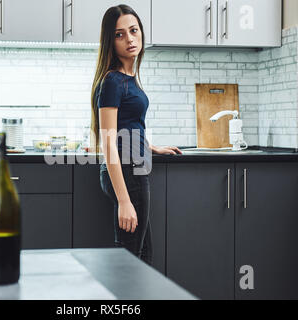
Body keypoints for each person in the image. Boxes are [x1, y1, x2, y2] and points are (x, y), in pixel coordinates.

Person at [90, 4, 182, 265]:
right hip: (127, 172)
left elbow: (128, 125)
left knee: (142, 255)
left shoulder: (127, 78)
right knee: (131, 260)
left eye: (133, 30)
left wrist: (151, 147)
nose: (129, 39)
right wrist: (124, 201)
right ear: (111, 41)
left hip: (133, 166)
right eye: (120, 34)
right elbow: (108, 142)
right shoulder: (113, 81)